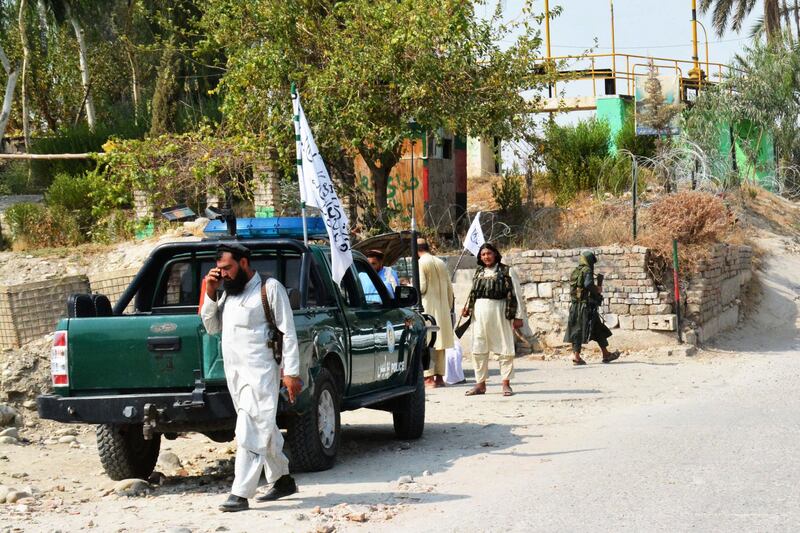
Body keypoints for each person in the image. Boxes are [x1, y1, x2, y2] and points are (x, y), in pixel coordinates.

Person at [200, 242, 303, 512]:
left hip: (261, 373)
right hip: (235, 375)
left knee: (249, 427)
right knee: (262, 425)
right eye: (219, 269)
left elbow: (288, 332)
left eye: (228, 268)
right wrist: (210, 293)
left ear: (243, 263)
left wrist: (291, 373)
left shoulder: (269, 289)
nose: (223, 274)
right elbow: (211, 328)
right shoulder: (228, 294)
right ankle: (282, 480)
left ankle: (240, 493)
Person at [462, 242, 523, 397]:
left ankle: (506, 384)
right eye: (483, 254)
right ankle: (480, 385)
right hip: (479, 314)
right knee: (478, 348)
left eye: (488, 253)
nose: (486, 257)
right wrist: (467, 308)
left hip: (500, 312)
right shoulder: (478, 272)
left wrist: (518, 317)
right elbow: (472, 293)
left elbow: (517, 295)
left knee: (505, 348)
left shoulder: (507, 271)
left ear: (495, 254)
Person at [563, 250, 621, 366]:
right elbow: (588, 284)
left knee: (577, 331)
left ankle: (577, 356)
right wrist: (597, 289)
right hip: (586, 308)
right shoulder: (587, 270)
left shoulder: (576, 271)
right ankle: (605, 354)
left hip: (575, 307)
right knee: (598, 328)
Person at [417, 238, 455, 388]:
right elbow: (449, 289)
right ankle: (440, 378)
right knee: (441, 344)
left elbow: (422, 287)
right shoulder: (441, 262)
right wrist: (449, 307)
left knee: (429, 342)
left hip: (428, 308)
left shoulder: (421, 263)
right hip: (443, 308)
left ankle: (428, 378)